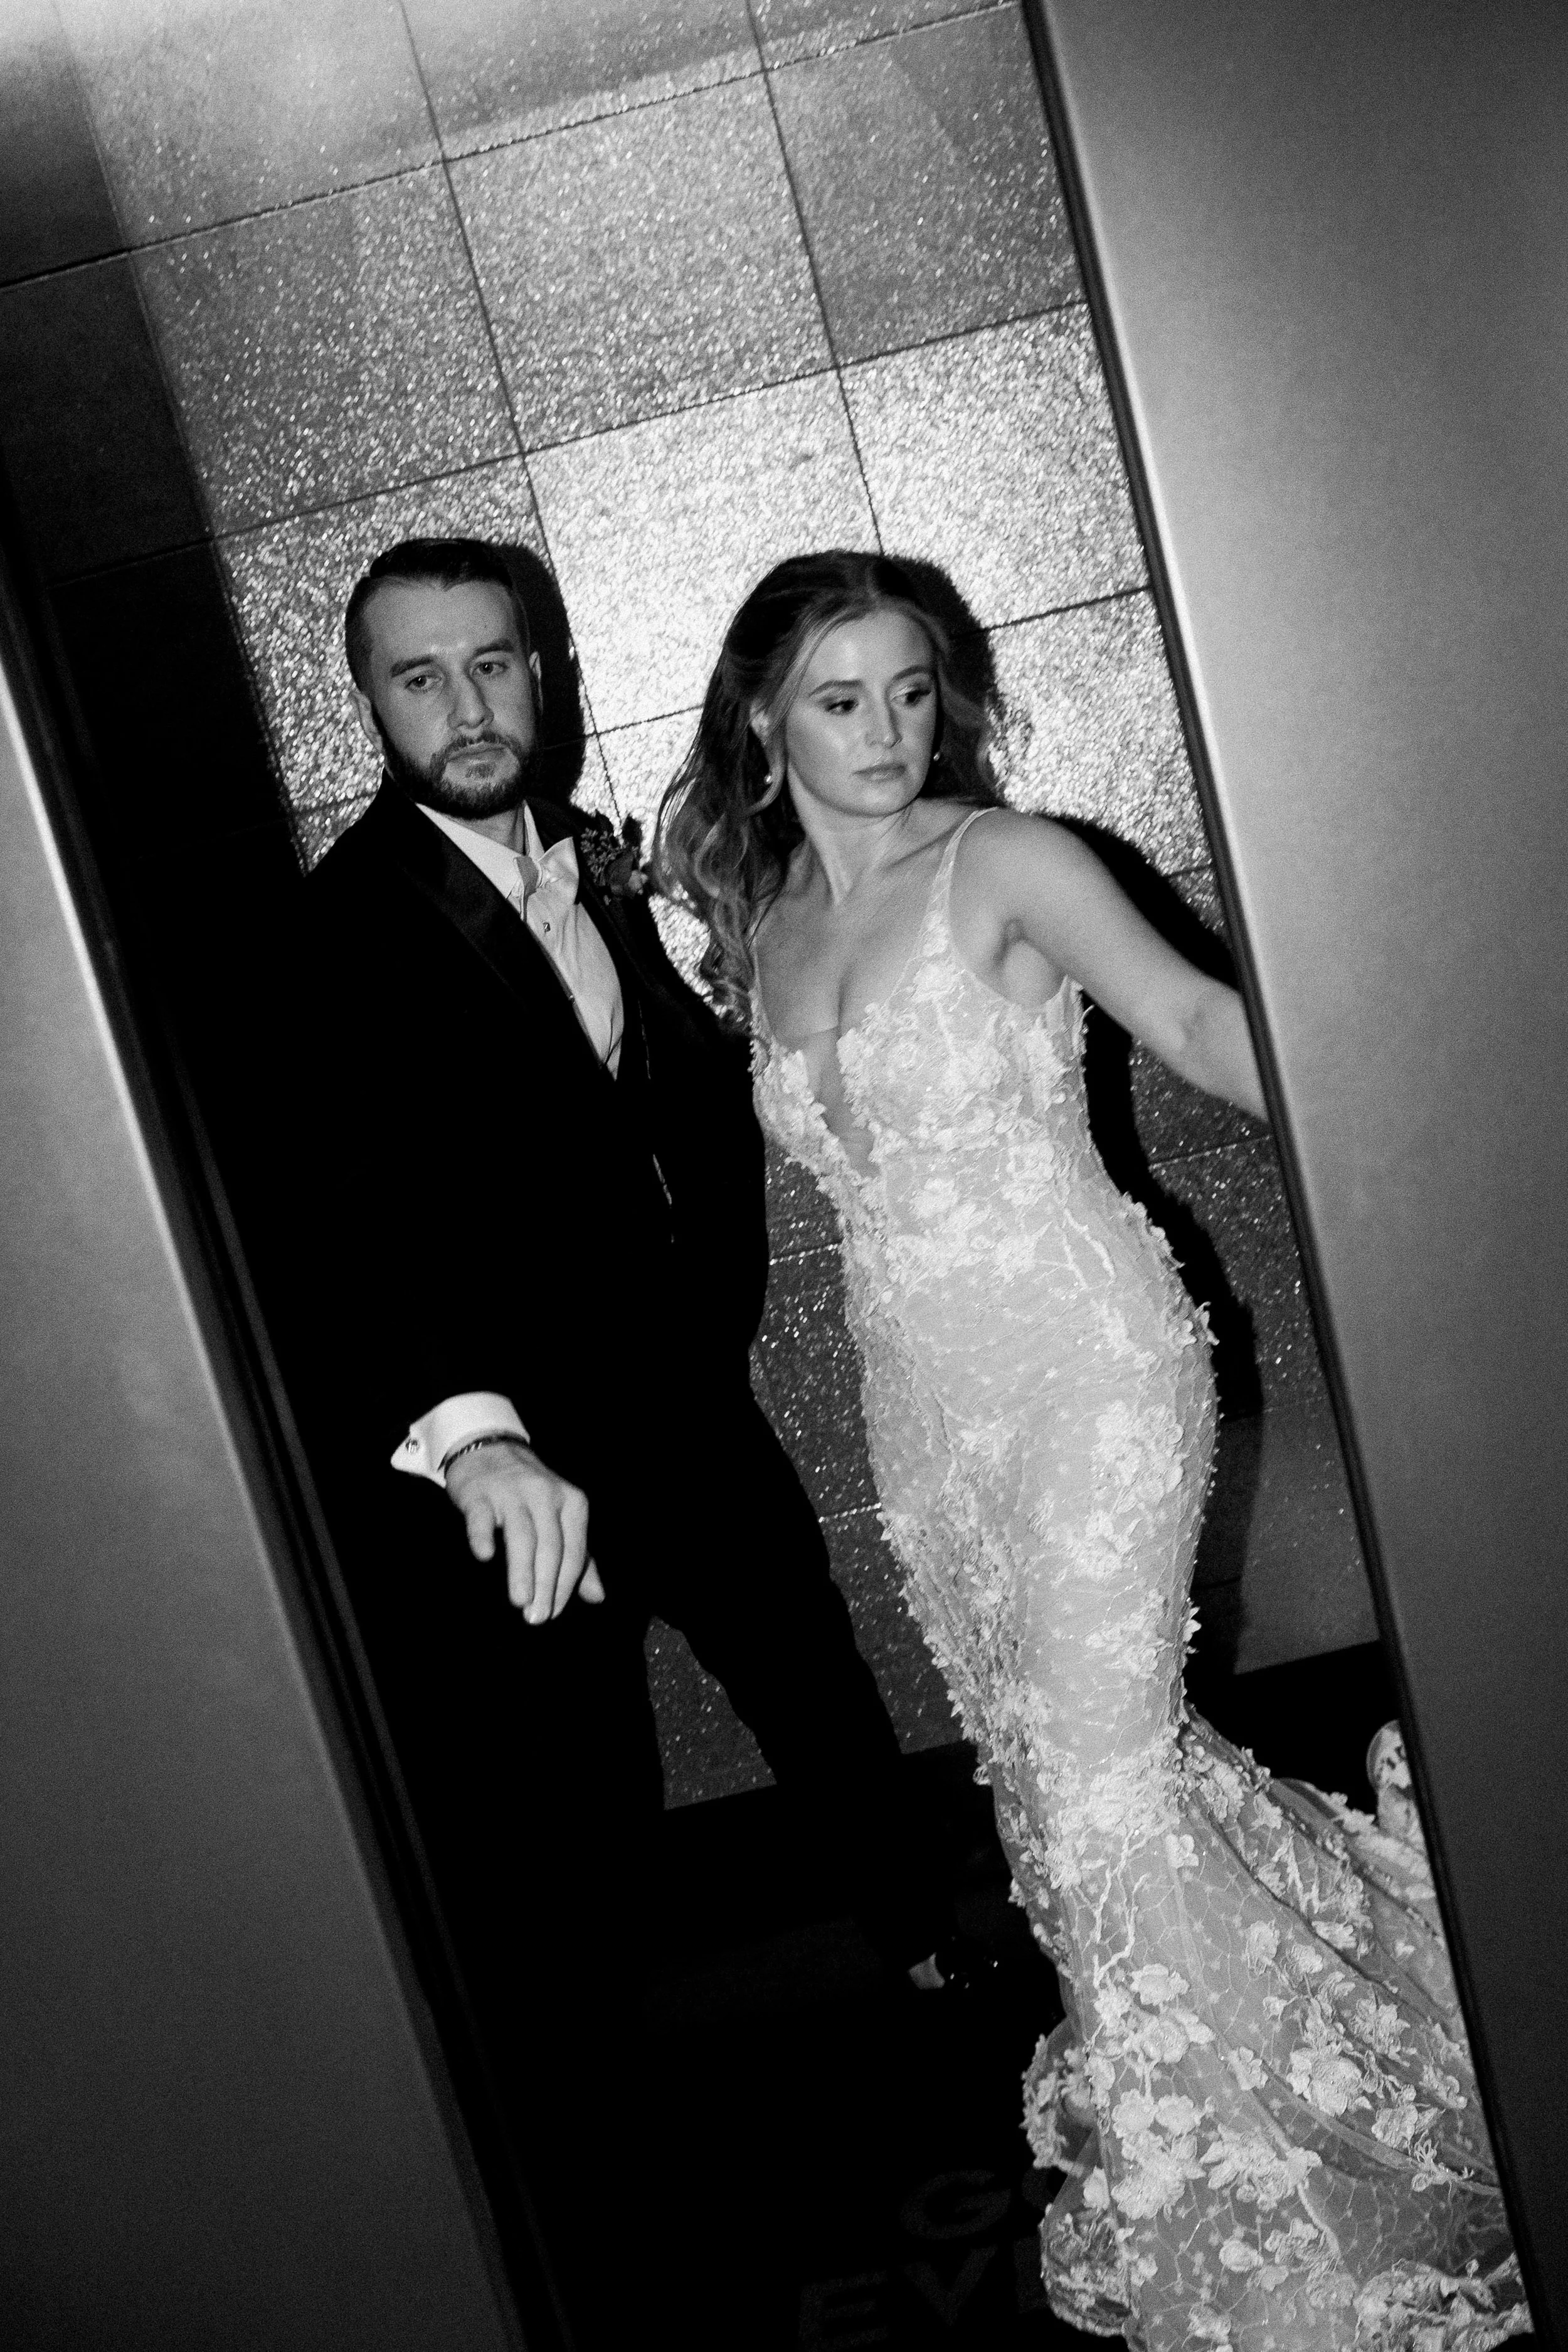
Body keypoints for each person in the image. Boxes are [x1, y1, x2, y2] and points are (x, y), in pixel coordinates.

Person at [656, 551, 1530, 2349]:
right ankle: (1363, 2009)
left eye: (914, 690)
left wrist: (1426, 1095)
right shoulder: (764, 924)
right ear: (761, 713)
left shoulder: (1008, 858)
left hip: (1091, 1372)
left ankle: (1265, 2181)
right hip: (929, 1415)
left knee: (1096, 1791)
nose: (891, 732)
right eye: (842, 699)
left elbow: (1204, 1020)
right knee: (1051, 1797)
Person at [289, 539, 961, 2342]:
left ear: (545, 669)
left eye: (494, 666)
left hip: (684, 1409)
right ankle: (579, 2211)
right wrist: (475, 1433)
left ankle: (934, 1963)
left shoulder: (597, 858)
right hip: (522, 1479)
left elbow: (663, 1100)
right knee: (578, 1815)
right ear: (369, 705)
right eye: (420, 679)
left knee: (816, 1683)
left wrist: (709, 1316)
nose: (467, 707)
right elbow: (351, 1209)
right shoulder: (344, 923)